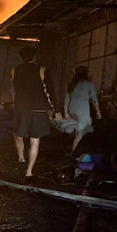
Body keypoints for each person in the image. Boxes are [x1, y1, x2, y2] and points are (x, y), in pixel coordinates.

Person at [11, 46, 61, 181]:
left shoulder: (14, 71)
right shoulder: (42, 71)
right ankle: (29, 172)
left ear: (20, 57)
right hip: (38, 110)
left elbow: (14, 89)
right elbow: (50, 92)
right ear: (34, 57)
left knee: (18, 135)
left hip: (22, 108)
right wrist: (56, 110)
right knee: (35, 140)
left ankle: (21, 158)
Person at [64, 65, 101, 153]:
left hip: (72, 109)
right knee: (80, 134)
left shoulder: (71, 84)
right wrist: (98, 111)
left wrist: (66, 112)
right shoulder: (89, 85)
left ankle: (76, 152)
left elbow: (66, 99)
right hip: (82, 110)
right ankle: (74, 154)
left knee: (78, 131)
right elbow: (94, 99)